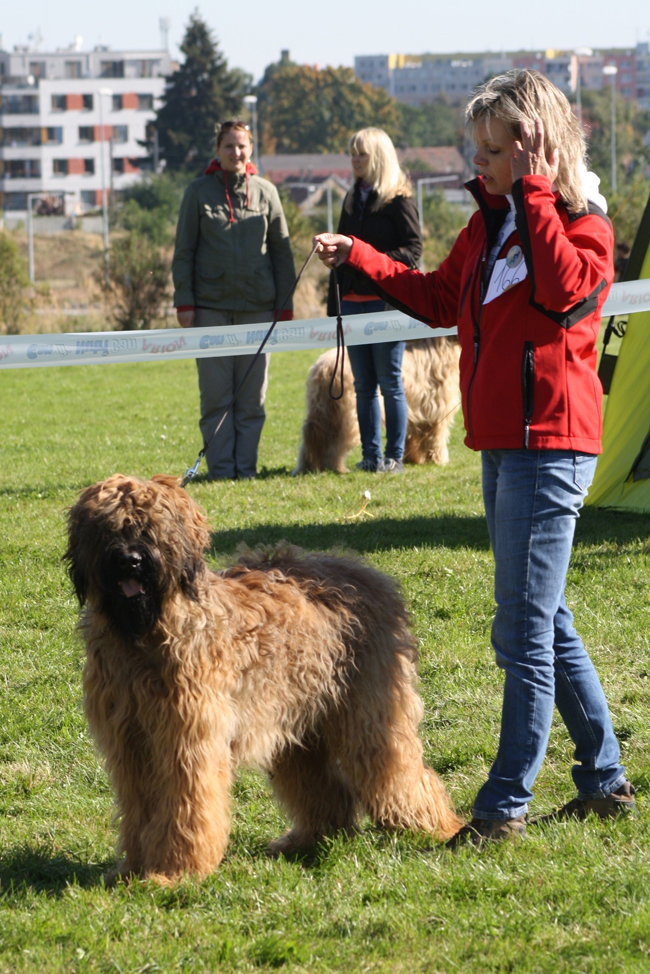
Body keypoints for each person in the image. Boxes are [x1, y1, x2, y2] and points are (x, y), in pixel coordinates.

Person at [315, 70, 634, 846]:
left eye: (496, 149)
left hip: (551, 446)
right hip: (500, 445)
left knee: (521, 631)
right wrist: (358, 254)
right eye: (479, 147)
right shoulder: (487, 230)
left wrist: (530, 197)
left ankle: (503, 806)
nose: (481, 162)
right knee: (543, 620)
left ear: (538, 148)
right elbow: (436, 299)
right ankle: (604, 781)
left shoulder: (585, 224)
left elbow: (562, 292)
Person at [172, 119, 295, 480]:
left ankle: (247, 470)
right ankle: (222, 471)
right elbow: (184, 252)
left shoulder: (267, 193)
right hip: (209, 311)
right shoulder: (197, 193)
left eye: (242, 146)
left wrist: (284, 305)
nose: (236, 153)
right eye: (229, 146)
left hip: (258, 310)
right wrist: (185, 302)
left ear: (251, 149)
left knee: (252, 399)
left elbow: (282, 253)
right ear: (218, 150)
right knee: (215, 398)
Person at [328, 127, 422, 473]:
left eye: (361, 154)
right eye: (352, 153)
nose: (354, 160)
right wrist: (333, 308)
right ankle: (370, 457)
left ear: (378, 157)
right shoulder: (351, 200)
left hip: (385, 303)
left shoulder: (400, 201)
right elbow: (340, 254)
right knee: (363, 384)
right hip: (351, 302)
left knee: (389, 381)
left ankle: (394, 457)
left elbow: (414, 251)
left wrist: (371, 260)